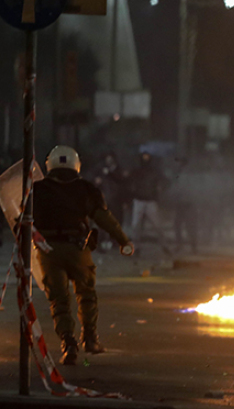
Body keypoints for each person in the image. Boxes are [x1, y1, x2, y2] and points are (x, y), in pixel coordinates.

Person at [33, 146, 134, 365]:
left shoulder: (36, 190)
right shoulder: (86, 189)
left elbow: (24, 221)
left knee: (58, 300)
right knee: (86, 293)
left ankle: (68, 343)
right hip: (78, 249)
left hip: (48, 251)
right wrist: (123, 240)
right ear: (75, 164)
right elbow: (104, 218)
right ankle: (90, 339)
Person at [129, 152, 166, 242]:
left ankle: (164, 244)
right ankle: (136, 245)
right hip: (139, 200)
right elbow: (130, 184)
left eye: (147, 158)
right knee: (135, 225)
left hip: (150, 201)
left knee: (157, 225)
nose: (145, 160)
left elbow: (163, 182)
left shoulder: (154, 171)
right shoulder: (136, 171)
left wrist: (159, 190)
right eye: (144, 158)